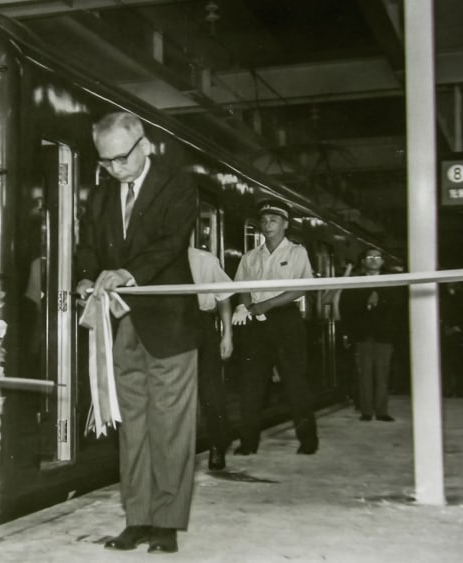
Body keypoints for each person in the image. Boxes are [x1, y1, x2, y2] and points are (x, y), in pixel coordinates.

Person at [76, 111, 202, 554]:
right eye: (106, 162)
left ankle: (166, 523)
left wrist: (129, 273)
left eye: (121, 158)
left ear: (144, 145)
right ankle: (138, 518)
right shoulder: (100, 196)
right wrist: (87, 277)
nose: (115, 169)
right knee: (131, 426)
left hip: (169, 324)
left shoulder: (178, 184)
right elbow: (88, 245)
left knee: (170, 426)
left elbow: (171, 241)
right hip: (121, 324)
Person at [231, 198, 319, 455]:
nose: (267, 225)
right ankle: (248, 442)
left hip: (285, 319)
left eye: (274, 220)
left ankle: (308, 440)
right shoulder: (250, 256)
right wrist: (246, 307)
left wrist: (266, 306)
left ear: (285, 225)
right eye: (264, 221)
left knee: (295, 382)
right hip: (255, 323)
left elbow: (302, 287)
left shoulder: (296, 252)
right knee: (251, 384)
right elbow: (241, 287)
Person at [339, 247, 403, 422]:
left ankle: (382, 411)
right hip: (362, 335)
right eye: (369, 257)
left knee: (383, 375)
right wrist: (347, 333)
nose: (374, 260)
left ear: (382, 261)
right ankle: (366, 411)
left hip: (385, 335)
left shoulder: (392, 281)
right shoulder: (354, 282)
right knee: (364, 374)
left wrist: (378, 300)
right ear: (363, 261)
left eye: (377, 257)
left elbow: (398, 308)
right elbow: (345, 309)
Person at [188, 247, 234, 471]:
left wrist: (227, 334)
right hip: (167, 324)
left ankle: (218, 444)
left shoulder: (204, 260)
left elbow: (223, 298)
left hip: (202, 324)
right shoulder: (153, 257)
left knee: (210, 389)